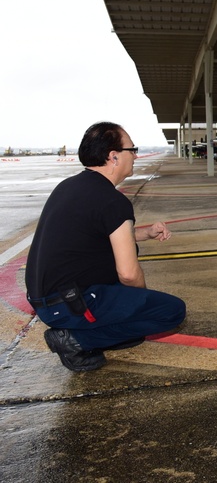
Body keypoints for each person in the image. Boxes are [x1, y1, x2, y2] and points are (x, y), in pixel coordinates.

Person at [25, 122, 186, 372]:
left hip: (47, 299)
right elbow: (129, 274)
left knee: (127, 302)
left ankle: (111, 332)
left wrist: (144, 233)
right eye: (131, 149)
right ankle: (77, 340)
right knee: (171, 311)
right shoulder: (112, 202)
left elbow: (93, 235)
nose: (135, 155)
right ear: (113, 156)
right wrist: (138, 303)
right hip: (69, 305)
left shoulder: (70, 187)